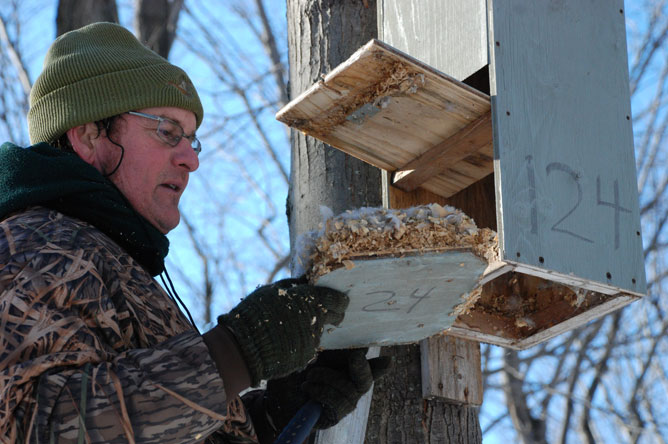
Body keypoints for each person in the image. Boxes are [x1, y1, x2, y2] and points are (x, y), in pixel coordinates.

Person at [0, 22, 390, 444]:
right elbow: (33, 427)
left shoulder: (108, 259)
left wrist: (274, 416)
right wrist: (236, 353)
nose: (190, 159)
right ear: (89, 134)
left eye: (192, 140)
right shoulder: (28, 246)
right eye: (167, 132)